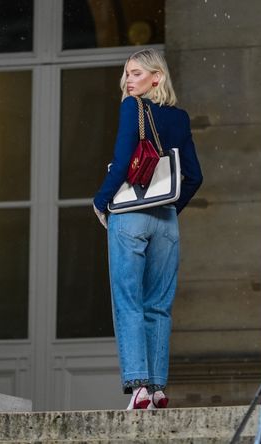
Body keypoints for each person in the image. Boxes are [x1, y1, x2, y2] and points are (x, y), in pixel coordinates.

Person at [93, 48, 203, 410]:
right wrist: (171, 208)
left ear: (157, 77)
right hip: (166, 220)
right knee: (159, 305)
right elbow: (195, 176)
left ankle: (138, 386)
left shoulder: (132, 108)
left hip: (130, 216)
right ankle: (157, 389)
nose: (128, 80)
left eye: (137, 73)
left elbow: (124, 161)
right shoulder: (181, 117)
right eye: (126, 73)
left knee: (129, 303)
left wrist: (101, 200)